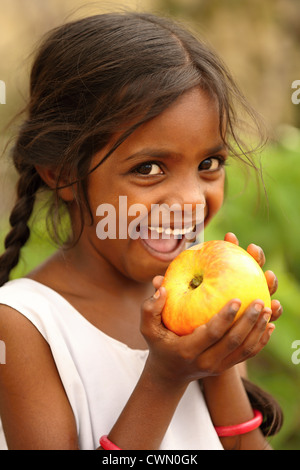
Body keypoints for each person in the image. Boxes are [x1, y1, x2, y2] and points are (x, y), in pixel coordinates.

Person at [0, 12, 283, 450]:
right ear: (61, 173)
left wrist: (221, 359)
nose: (191, 200)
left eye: (209, 164)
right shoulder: (21, 326)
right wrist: (165, 379)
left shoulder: (195, 305)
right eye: (148, 169)